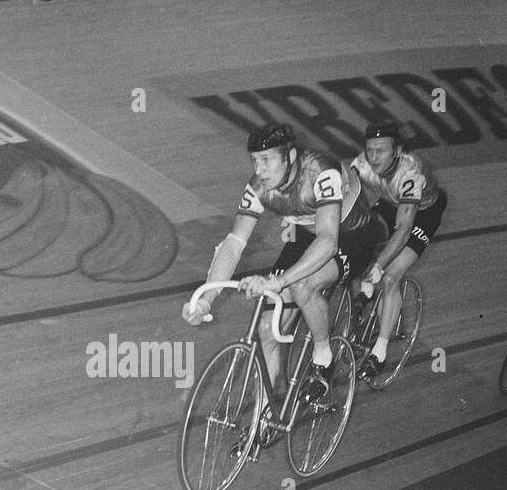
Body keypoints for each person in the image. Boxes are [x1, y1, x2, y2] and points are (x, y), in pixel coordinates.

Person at [183, 122, 384, 407]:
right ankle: (263, 414)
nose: (259, 169)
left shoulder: (320, 171)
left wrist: (278, 281)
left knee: (302, 284)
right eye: (254, 161)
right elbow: (234, 243)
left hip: (352, 234)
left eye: (266, 160)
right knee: (267, 327)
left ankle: (323, 359)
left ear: (290, 158)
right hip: (307, 232)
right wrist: (207, 298)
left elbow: (328, 242)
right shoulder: (258, 187)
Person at [346, 122, 448, 381]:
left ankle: (379, 353)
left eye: (381, 151)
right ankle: (367, 292)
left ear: (398, 151)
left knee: (391, 276)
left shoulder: (411, 173)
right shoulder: (361, 163)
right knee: (356, 245)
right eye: (370, 150)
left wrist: (379, 265)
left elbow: (403, 230)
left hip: (422, 214)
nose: (374, 157)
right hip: (391, 202)